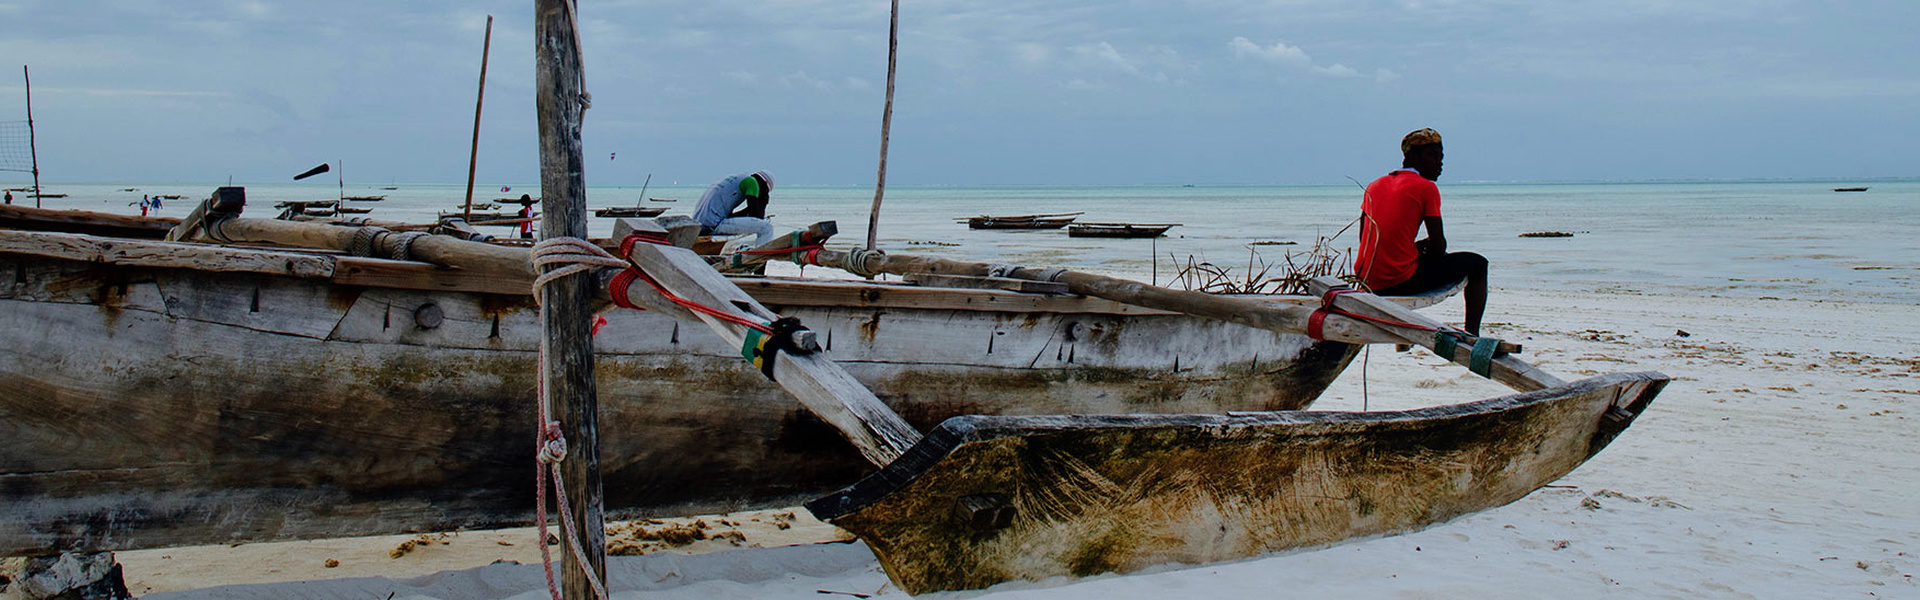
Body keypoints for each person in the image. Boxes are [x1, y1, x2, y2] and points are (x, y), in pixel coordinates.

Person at [1355, 128, 1488, 336]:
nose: (1439, 163)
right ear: (1413, 157)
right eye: (1433, 156)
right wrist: (1427, 252)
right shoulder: (1426, 188)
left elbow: (1365, 237)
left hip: (1365, 279)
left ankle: (1402, 335)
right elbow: (1438, 246)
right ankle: (1472, 334)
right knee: (1478, 264)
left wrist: (1415, 249)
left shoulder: (1374, 185)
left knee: (1419, 253)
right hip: (1397, 282)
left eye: (1441, 157)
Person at [692, 171, 776, 246]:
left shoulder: (738, 179)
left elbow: (732, 216)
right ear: (764, 185)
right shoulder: (752, 182)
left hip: (700, 225)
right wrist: (764, 201)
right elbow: (757, 216)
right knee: (766, 228)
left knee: (761, 225)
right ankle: (760, 258)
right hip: (712, 225)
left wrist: (748, 210)